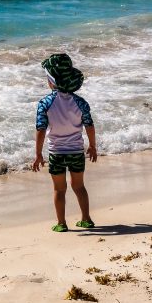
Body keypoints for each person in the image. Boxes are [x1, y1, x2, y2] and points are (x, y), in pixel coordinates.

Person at [32, 53, 97, 232]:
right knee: (79, 186)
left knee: (59, 190)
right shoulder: (80, 102)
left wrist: (38, 154)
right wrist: (92, 146)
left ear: (51, 81)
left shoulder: (45, 103)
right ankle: (86, 219)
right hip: (76, 151)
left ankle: (61, 224)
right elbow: (89, 126)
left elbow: (41, 129)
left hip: (56, 153)